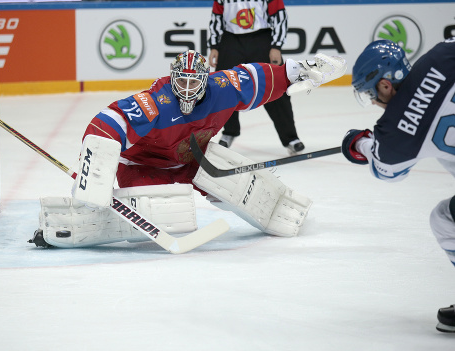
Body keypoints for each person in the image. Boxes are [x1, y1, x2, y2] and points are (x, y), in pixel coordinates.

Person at [29, 50, 346, 251]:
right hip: (145, 169)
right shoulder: (156, 102)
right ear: (172, 78)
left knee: (231, 184)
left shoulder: (223, 89)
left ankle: (276, 210)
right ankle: (61, 229)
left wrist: (303, 67)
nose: (188, 90)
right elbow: (108, 121)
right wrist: (94, 168)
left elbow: (259, 77)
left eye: (196, 83)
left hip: (194, 161)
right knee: (159, 214)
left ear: (206, 80)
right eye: (182, 82)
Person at [341, 37, 455, 333]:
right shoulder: (443, 52)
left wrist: (361, 143)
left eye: (372, 93)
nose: (375, 101)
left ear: (385, 85)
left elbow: (386, 170)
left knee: (444, 220)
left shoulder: (395, 130)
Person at [208, 0, 304, 153]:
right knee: (224, 86)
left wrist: (276, 46)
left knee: (276, 85)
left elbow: (279, 16)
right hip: (231, 40)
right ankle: (229, 132)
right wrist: (214, 46)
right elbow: (216, 17)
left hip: (261, 39)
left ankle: (290, 138)